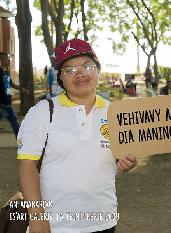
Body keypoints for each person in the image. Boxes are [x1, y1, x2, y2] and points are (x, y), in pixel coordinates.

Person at [17, 38, 138, 233]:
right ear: (61, 78)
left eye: (87, 66)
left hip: (103, 220)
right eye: (70, 70)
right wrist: (37, 216)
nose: (80, 73)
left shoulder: (115, 112)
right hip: (55, 224)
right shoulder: (42, 112)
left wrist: (127, 162)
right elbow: (26, 165)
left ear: (98, 70)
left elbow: (120, 157)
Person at [0, 57, 20, 137]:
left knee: (14, 122)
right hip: (1, 104)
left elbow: (11, 84)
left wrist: (22, 89)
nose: (9, 60)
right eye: (6, 58)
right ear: (1, 60)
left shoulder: (6, 72)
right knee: (14, 122)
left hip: (7, 102)